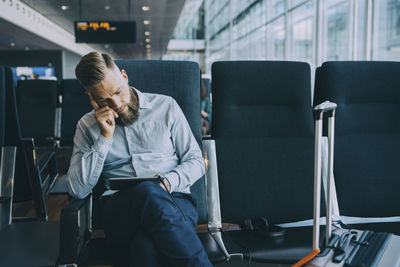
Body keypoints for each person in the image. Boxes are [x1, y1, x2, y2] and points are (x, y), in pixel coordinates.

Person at [66, 52, 212, 267]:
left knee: (145, 250)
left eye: (118, 92)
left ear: (124, 77)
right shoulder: (86, 126)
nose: (116, 103)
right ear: (91, 97)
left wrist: (168, 182)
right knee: (146, 190)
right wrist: (104, 138)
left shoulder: (166, 106)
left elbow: (196, 161)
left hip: (174, 200)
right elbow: (77, 190)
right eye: (104, 99)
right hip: (121, 211)